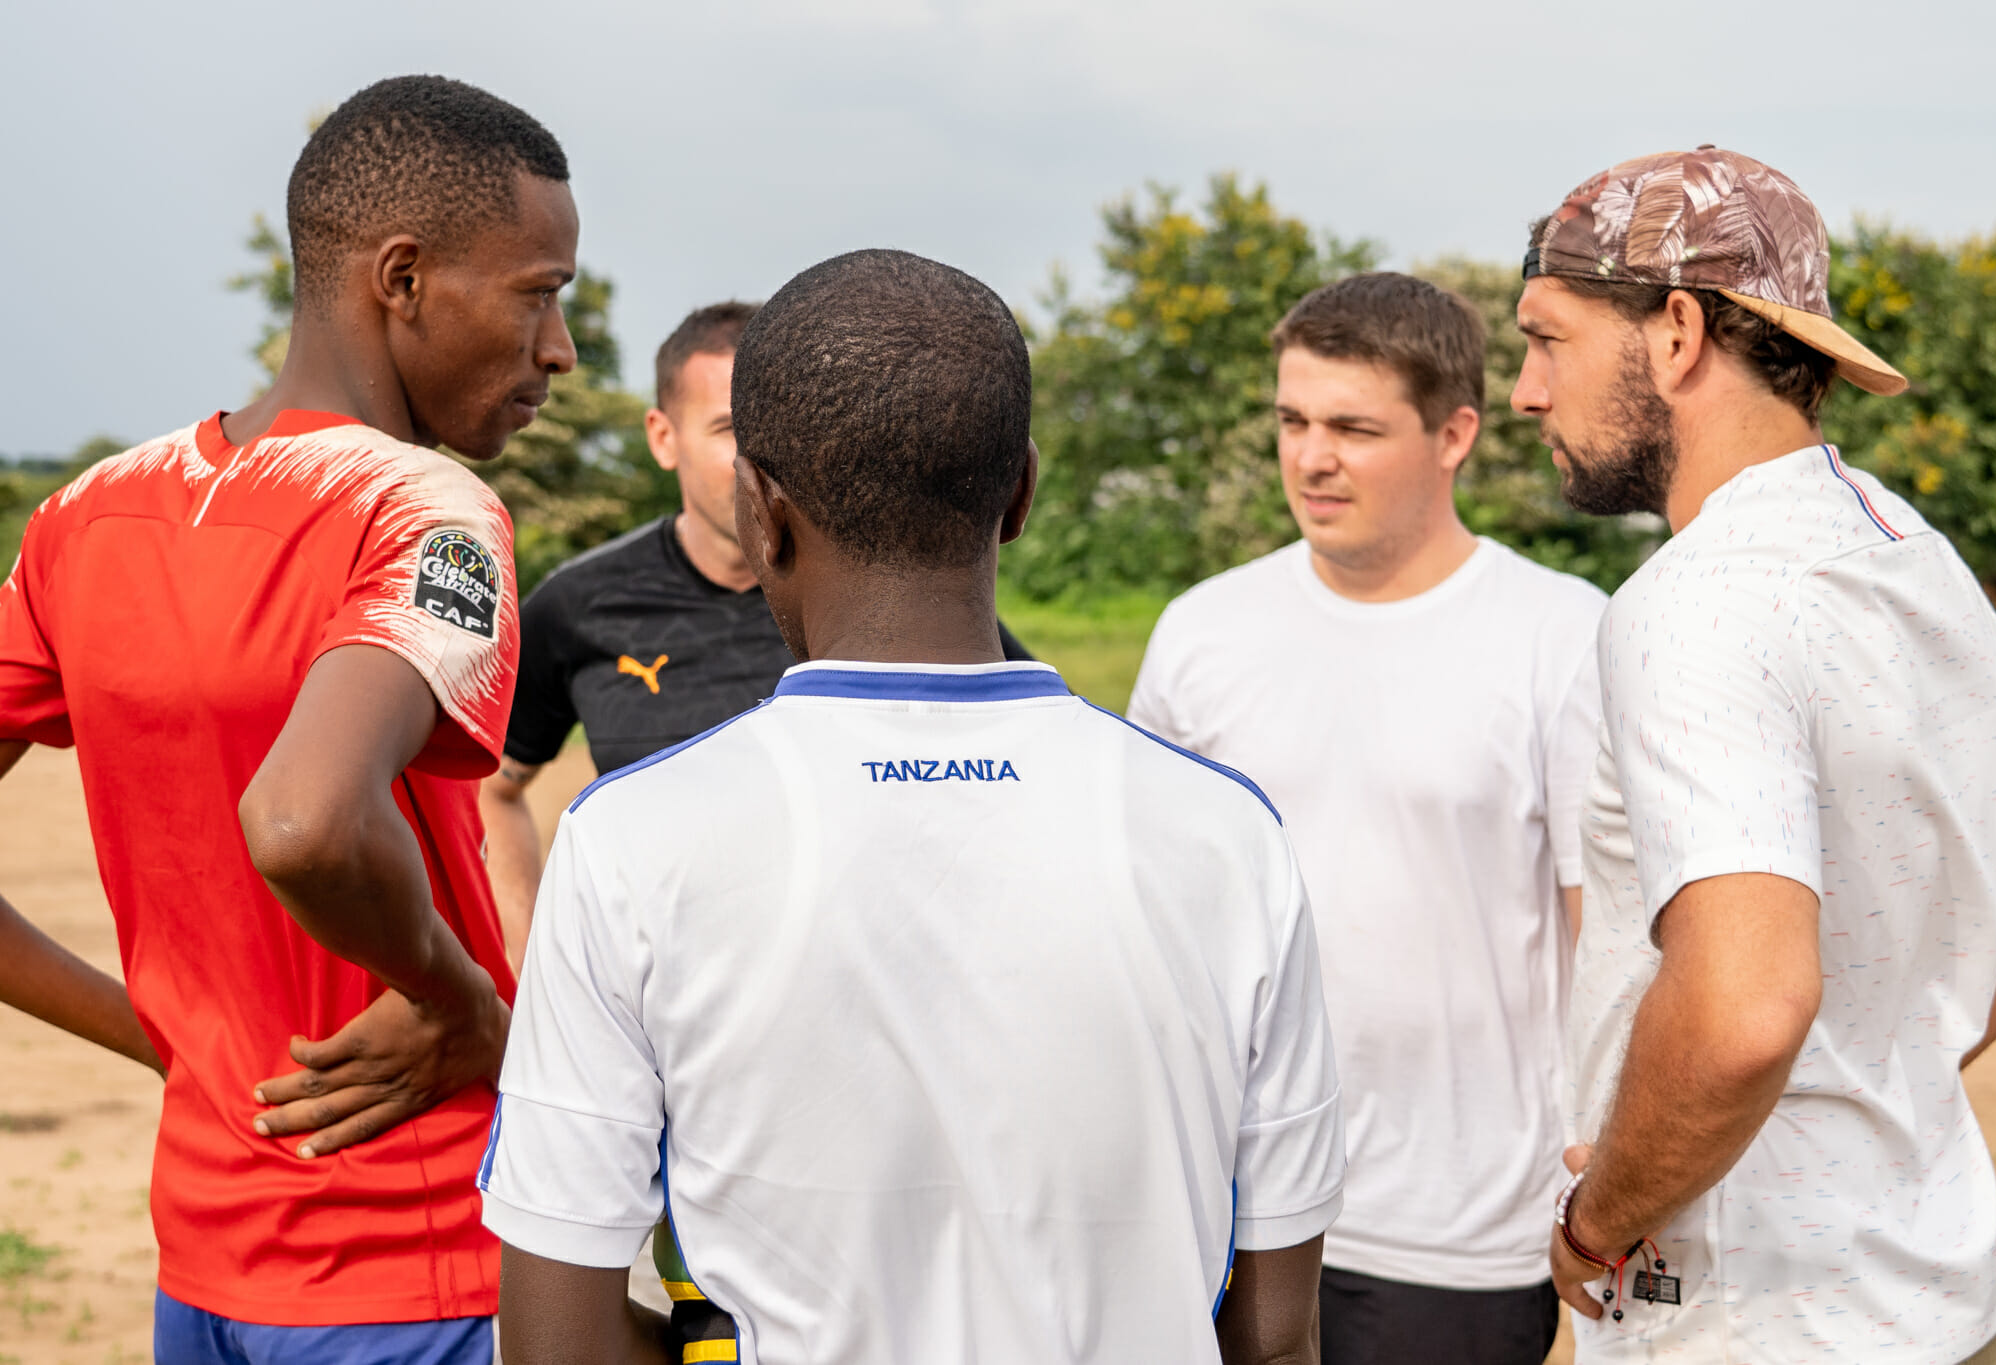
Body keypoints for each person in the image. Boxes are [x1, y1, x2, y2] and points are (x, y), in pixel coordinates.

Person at [478, 248, 1345, 1365]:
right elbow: (1274, 1341)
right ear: (1022, 492)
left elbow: (554, 1347)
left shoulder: (630, 841)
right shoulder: (1228, 834)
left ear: (761, 512)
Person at [0, 75, 577, 1363]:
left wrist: (166, 1037)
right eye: (539, 294)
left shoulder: (87, 514)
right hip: (411, 1252)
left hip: (202, 1266)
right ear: (404, 278)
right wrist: (454, 997)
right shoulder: (423, 511)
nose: (560, 351)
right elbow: (305, 821)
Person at [1516, 146, 1996, 1365]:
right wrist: (1902, 1051)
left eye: (1548, 340)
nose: (1528, 391)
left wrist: (1593, 1227)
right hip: (1939, 1308)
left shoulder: (1694, 604)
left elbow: (1745, 1011)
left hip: (1758, 1327)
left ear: (1675, 332)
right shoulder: (1903, 548)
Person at [1126, 272, 1605, 1364]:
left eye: (1351, 427)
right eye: (1292, 421)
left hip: (1453, 1230)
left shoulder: (1561, 636)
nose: (1310, 457)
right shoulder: (1200, 634)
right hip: (1222, 1209)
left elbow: (1606, 935)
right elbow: (1149, 923)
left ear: (1454, 435)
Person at [480, 302, 1033, 969]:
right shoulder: (580, 604)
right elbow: (495, 783)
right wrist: (524, 958)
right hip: (669, 1001)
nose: (758, 455)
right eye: (727, 428)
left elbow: (1023, 751)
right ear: (663, 437)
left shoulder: (878, 590)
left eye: (776, 428)